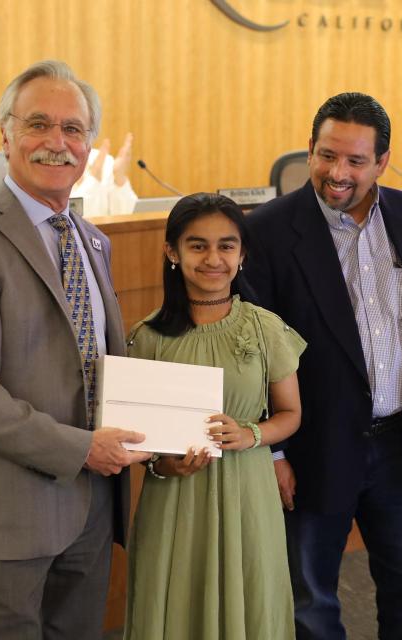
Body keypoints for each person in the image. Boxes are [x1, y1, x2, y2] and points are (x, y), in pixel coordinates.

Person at [0, 60, 150, 640]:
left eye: (73, 129)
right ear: (6, 133)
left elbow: (96, 360)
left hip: (91, 501)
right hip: (9, 503)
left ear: (89, 144)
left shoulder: (92, 239)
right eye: (38, 124)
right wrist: (80, 449)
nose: (56, 143)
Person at [243, 92, 402, 640]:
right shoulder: (269, 230)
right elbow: (253, 352)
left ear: (382, 161)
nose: (338, 173)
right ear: (310, 149)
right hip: (313, 446)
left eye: (355, 160)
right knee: (309, 603)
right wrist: (272, 451)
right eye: (327, 155)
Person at [124, 193, 306, 639]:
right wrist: (165, 464)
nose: (213, 258)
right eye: (197, 245)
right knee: (177, 606)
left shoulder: (265, 328)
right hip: (176, 500)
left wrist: (250, 434)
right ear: (172, 252)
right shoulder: (147, 337)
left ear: (242, 254)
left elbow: (291, 414)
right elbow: (137, 439)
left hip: (249, 491)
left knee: (251, 601)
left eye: (226, 245)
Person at [72, 132, 138, 216]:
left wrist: (119, 180)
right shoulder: (56, 163)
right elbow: (66, 216)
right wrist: (93, 180)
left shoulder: (106, 160)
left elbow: (124, 212)